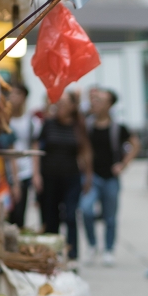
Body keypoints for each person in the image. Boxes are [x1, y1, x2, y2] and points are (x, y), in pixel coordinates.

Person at [80, 87, 139, 265]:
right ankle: (92, 245)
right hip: (92, 177)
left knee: (110, 216)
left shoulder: (118, 128)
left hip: (110, 178)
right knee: (86, 210)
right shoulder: (87, 125)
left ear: (109, 105)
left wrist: (123, 164)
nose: (95, 103)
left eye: (100, 100)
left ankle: (108, 249)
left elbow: (135, 144)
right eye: (94, 100)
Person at [36, 92, 91, 262]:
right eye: (59, 103)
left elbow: (85, 151)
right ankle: (52, 254)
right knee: (50, 216)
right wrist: (36, 174)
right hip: (50, 176)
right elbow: (37, 148)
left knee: (70, 214)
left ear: (73, 107)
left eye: (65, 103)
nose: (60, 106)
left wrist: (88, 175)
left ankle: (73, 254)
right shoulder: (48, 123)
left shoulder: (78, 126)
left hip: (71, 177)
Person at [7, 83, 40, 229]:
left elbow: (35, 147)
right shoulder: (3, 121)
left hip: (25, 171)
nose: (13, 97)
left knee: (20, 212)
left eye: (17, 94)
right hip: (5, 171)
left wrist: (36, 173)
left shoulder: (32, 122)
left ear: (25, 98)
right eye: (10, 94)